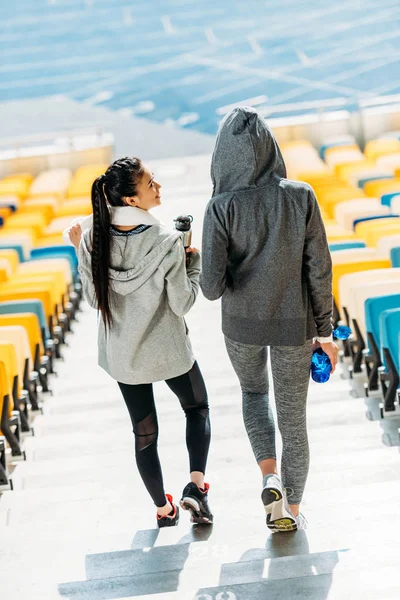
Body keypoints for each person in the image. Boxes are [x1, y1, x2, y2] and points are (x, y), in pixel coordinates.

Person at [200, 107, 337, 532]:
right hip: (293, 324)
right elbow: (319, 267)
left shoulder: (219, 207)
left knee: (254, 394)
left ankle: (269, 477)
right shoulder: (300, 195)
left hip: (241, 325)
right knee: (294, 421)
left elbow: (211, 288)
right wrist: (326, 331)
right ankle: (290, 511)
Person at [68, 156, 212, 527]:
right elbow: (183, 302)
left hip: (125, 358)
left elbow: (95, 300)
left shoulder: (92, 241)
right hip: (169, 351)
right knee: (196, 409)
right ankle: (195, 488)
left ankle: (164, 510)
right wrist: (191, 265)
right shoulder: (166, 242)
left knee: (144, 432)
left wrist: (79, 251)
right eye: (151, 184)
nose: (158, 188)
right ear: (131, 200)